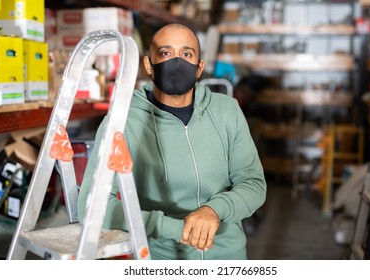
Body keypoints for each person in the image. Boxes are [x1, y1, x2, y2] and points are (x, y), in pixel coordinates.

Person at [77, 23, 267, 260]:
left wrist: (215, 210)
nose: (177, 62)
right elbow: (93, 206)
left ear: (199, 68)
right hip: (160, 258)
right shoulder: (121, 122)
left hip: (228, 256)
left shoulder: (227, 111)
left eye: (187, 54)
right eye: (165, 53)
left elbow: (253, 184)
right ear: (148, 65)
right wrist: (174, 228)